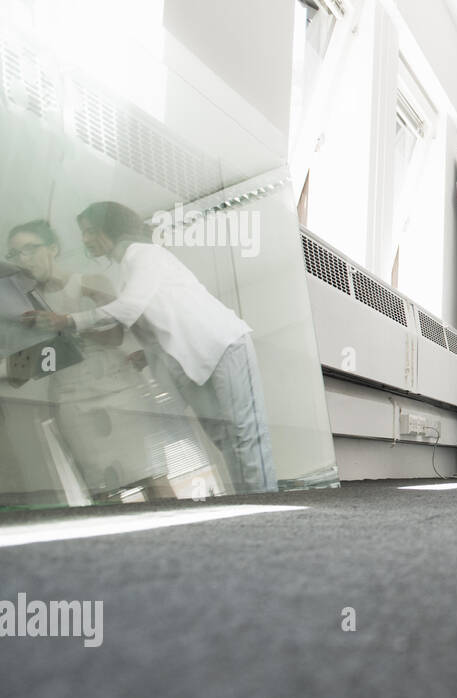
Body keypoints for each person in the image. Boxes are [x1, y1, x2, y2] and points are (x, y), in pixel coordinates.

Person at [22, 202, 277, 493]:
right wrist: (145, 354)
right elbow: (155, 318)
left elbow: (129, 308)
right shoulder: (127, 269)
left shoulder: (144, 254)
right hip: (192, 360)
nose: (85, 240)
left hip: (224, 345)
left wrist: (67, 320)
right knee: (224, 435)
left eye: (89, 231)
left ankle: (265, 504)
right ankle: (249, 502)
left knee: (245, 433)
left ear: (110, 230)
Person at [6, 219, 193, 500]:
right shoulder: (24, 305)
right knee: (102, 490)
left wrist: (66, 324)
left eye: (29, 249)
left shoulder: (90, 283)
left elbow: (116, 334)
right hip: (71, 400)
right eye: (14, 254)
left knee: (153, 475)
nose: (23, 259)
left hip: (120, 391)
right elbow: (31, 365)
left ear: (52, 248)